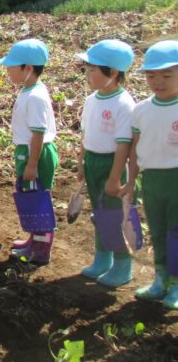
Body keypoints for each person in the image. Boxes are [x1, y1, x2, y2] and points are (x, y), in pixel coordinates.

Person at [76, 40, 136, 287]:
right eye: (87, 69)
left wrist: (115, 177)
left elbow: (124, 146)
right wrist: (81, 160)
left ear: (112, 73)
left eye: (93, 70)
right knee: (100, 213)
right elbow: (85, 133)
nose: (88, 75)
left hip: (113, 163)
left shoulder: (124, 104)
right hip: (93, 161)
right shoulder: (92, 99)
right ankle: (103, 258)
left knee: (114, 215)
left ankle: (123, 264)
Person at [124, 40, 178, 308]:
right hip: (152, 179)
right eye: (151, 75)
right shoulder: (141, 110)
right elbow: (135, 149)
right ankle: (160, 278)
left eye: (167, 75)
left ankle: (177, 285)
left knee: (176, 231)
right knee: (157, 229)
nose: (159, 81)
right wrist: (131, 180)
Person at [0, 39, 58, 263]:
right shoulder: (29, 90)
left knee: (37, 198)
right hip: (27, 151)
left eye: (12, 66)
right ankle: (34, 239)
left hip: (37, 153)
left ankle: (41, 250)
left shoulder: (35, 97)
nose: (8, 70)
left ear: (28, 69)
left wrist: (32, 165)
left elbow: (38, 134)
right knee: (29, 194)